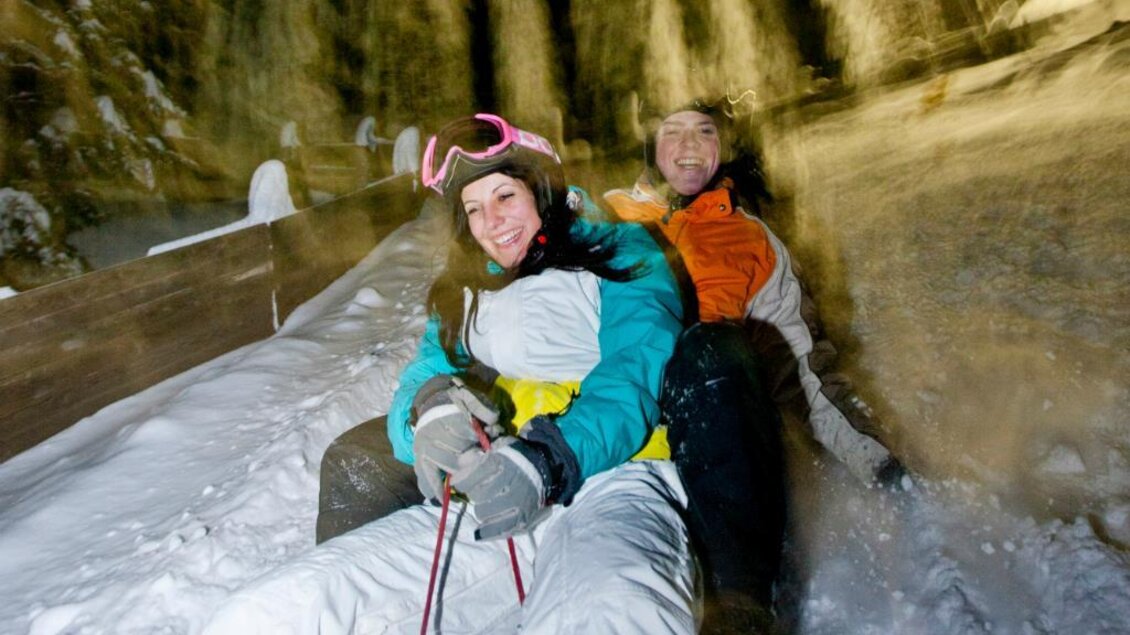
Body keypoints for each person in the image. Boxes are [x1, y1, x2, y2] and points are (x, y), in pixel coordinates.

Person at [209, 114, 695, 634]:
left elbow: (635, 374)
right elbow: (424, 373)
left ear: (541, 187)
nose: (492, 221)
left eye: (505, 196)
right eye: (474, 208)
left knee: (614, 620)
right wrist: (428, 412)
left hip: (614, 479)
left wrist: (548, 458)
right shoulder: (469, 288)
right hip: (495, 491)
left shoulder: (620, 252)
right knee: (274, 615)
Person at [604, 98, 907, 629]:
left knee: (716, 350)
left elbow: (797, 361)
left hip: (714, 429)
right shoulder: (607, 220)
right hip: (620, 423)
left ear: (724, 150)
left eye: (705, 131)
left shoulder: (748, 236)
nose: (690, 145)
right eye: (673, 131)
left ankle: (737, 605)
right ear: (651, 148)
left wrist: (872, 455)